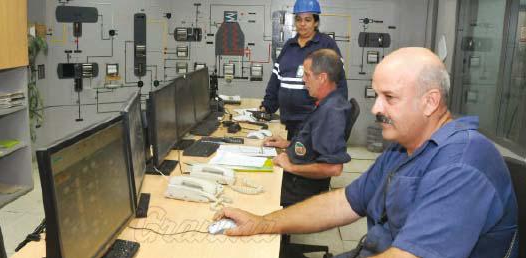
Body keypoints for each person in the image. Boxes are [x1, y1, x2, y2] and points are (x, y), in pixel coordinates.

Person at [216, 47, 519, 258]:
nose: (375, 108)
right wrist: (262, 222)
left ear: (430, 102)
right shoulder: (405, 147)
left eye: (389, 97)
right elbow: (343, 202)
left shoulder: (462, 167)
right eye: (376, 96)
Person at [265, 48, 350, 207]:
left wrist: (290, 166)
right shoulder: (326, 102)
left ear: (322, 78)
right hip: (296, 174)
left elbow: (334, 168)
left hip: (298, 186)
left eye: (307, 74)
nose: (303, 80)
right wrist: (288, 144)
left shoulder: (331, 112)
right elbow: (313, 144)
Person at [260, 0, 348, 141]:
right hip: (291, 120)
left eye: (307, 20)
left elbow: (339, 81)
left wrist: (337, 114)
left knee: (305, 159)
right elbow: (275, 79)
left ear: (316, 22)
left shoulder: (326, 44)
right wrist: (267, 107)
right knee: (292, 155)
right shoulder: (289, 45)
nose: (302, 24)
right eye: (299, 19)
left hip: (315, 120)